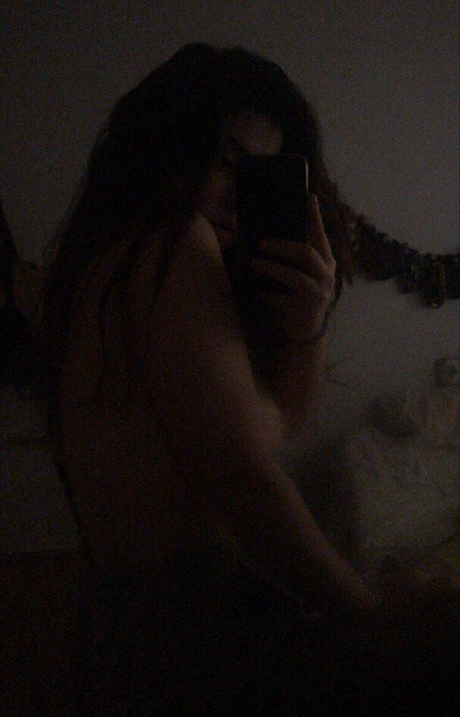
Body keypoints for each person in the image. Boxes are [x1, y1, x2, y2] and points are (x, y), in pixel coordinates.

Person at [40, 44, 456, 714]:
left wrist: (308, 326)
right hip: (188, 645)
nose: (238, 196)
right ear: (170, 150)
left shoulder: (106, 259)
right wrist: (368, 610)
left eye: (261, 174)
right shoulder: (173, 244)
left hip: (132, 628)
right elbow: (244, 481)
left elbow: (271, 429)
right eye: (226, 162)